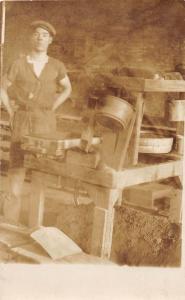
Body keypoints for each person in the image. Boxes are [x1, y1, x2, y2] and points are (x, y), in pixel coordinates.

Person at [0, 20, 72, 224]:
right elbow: (2, 88)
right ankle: (10, 221)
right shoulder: (19, 63)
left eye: (44, 35)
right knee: (17, 168)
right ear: (31, 38)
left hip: (45, 123)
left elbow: (67, 89)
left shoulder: (57, 66)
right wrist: (11, 112)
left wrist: (53, 107)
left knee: (42, 169)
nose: (40, 38)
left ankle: (36, 222)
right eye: (37, 34)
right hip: (22, 120)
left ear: (50, 40)